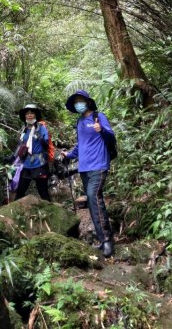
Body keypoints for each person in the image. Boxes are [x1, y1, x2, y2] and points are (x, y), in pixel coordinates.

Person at [62, 90, 115, 258]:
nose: (79, 104)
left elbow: (111, 137)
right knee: (93, 202)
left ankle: (107, 240)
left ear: (88, 102)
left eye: (81, 100)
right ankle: (102, 239)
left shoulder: (98, 117)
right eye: (76, 101)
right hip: (84, 168)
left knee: (93, 196)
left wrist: (102, 130)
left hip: (99, 165)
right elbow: (80, 145)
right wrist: (69, 155)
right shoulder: (79, 122)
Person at [15, 104, 51, 201]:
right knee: (20, 191)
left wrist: (40, 138)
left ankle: (51, 212)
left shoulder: (41, 128)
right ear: (25, 116)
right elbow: (20, 145)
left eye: (32, 113)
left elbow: (46, 145)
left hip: (39, 164)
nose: (30, 115)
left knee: (43, 192)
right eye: (27, 113)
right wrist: (11, 157)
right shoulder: (24, 129)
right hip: (26, 164)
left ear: (35, 115)